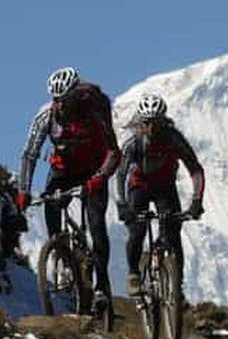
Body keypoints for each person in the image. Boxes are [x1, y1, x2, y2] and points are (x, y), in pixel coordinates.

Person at [16, 67, 120, 312]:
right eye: (56, 100)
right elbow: (29, 154)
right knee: (51, 204)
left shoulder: (94, 110)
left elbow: (114, 152)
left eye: (66, 100)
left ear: (76, 96)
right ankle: (61, 255)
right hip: (63, 170)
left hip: (94, 170)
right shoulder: (46, 117)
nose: (61, 105)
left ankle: (101, 288)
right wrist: (23, 190)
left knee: (96, 225)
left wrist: (100, 178)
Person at [116, 94, 205, 297]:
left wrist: (197, 201)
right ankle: (134, 274)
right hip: (139, 186)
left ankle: (176, 285)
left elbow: (195, 169)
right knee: (137, 231)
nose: (152, 128)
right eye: (147, 123)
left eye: (156, 123)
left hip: (165, 187)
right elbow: (121, 174)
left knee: (173, 234)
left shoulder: (174, 139)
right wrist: (122, 204)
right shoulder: (134, 143)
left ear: (163, 120)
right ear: (140, 122)